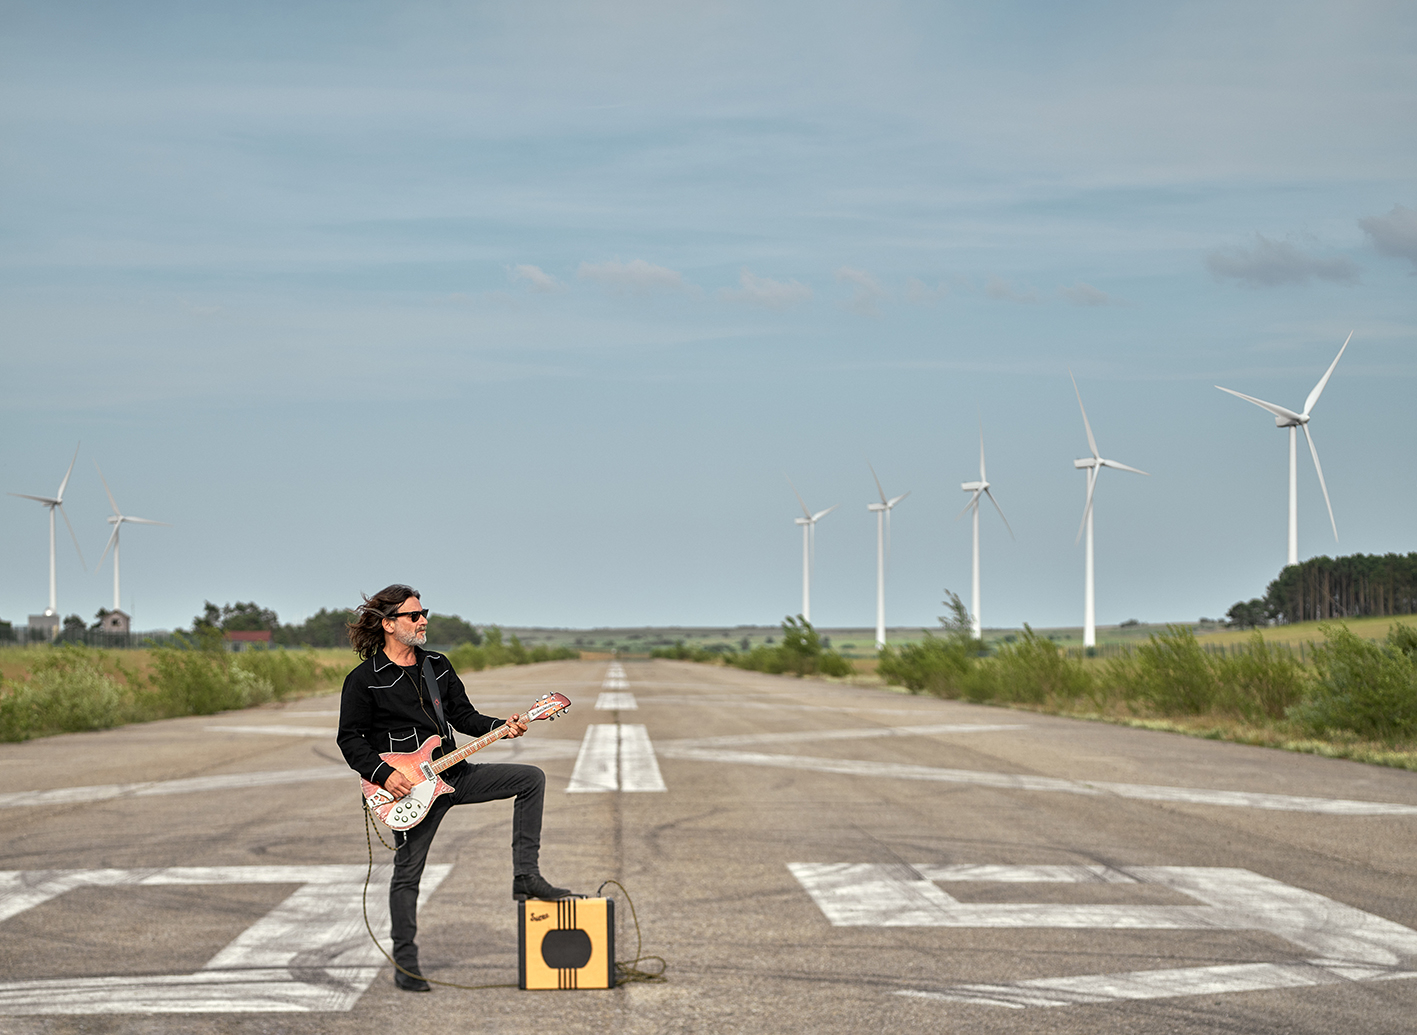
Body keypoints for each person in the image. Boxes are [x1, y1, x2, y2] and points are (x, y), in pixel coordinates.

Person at [337, 584, 573, 992]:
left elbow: (465, 716)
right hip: (408, 790)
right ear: (389, 624)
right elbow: (350, 739)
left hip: (454, 774)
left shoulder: (438, 666)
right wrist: (382, 774)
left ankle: (526, 876)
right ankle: (407, 964)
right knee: (408, 874)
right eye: (414, 615)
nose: (423, 619)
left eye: (423, 612)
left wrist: (503, 726)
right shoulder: (364, 680)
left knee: (530, 778)